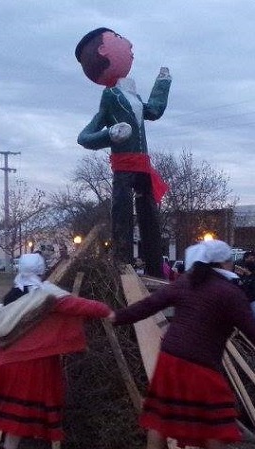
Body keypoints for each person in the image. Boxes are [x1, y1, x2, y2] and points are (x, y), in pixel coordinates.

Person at [113, 240, 255, 449]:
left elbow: (149, 305)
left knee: (161, 414)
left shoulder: (187, 282)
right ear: (225, 262)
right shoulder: (229, 292)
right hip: (199, 362)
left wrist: (117, 316)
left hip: (171, 356)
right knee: (216, 414)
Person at [0, 253, 113, 449]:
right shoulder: (47, 296)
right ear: (41, 271)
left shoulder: (11, 296)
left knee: (14, 409)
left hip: (11, 363)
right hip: (34, 363)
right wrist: (106, 310)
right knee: (21, 409)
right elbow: (77, 306)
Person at [76, 28, 171, 278]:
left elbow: (154, 111)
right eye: (118, 38)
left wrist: (162, 83)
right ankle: (123, 266)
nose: (128, 44)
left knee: (150, 216)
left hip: (143, 167)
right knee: (122, 217)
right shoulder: (110, 97)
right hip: (124, 167)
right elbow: (84, 137)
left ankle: (154, 269)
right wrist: (110, 134)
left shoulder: (132, 95)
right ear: (103, 50)